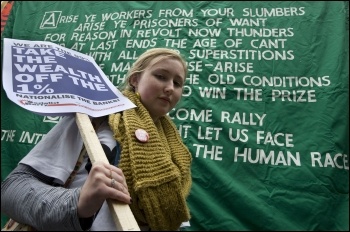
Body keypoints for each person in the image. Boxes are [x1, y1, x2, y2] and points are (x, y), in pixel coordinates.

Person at [1, 48, 193, 231]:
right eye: (160, 76)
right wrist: (79, 203)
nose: (169, 88)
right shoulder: (95, 118)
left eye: (177, 83)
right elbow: (12, 189)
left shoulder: (175, 151)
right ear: (135, 79)